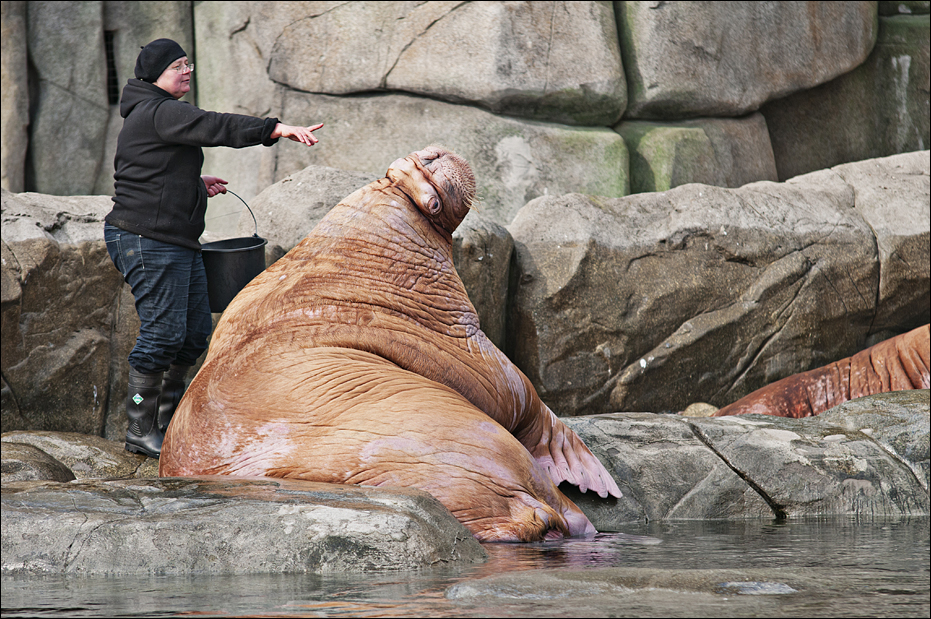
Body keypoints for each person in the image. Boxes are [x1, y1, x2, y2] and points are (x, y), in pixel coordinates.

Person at [104, 38, 323, 458]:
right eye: (177, 66)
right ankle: (138, 425)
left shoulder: (155, 115)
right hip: (146, 241)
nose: (186, 71)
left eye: (188, 64)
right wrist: (273, 129)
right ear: (155, 76)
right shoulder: (160, 111)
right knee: (162, 335)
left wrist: (193, 184)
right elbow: (214, 125)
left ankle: (164, 422)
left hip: (173, 240)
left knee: (194, 335)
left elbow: (144, 169)